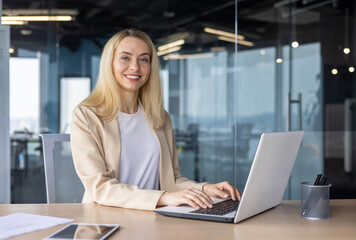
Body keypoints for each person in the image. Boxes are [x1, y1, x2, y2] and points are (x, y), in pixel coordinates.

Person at [70, 28, 241, 211]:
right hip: (106, 219)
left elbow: (172, 180)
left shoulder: (160, 118)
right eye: (125, 58)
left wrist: (205, 189)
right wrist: (164, 197)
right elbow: (100, 188)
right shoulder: (86, 116)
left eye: (143, 59)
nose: (135, 67)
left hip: (154, 218)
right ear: (109, 63)